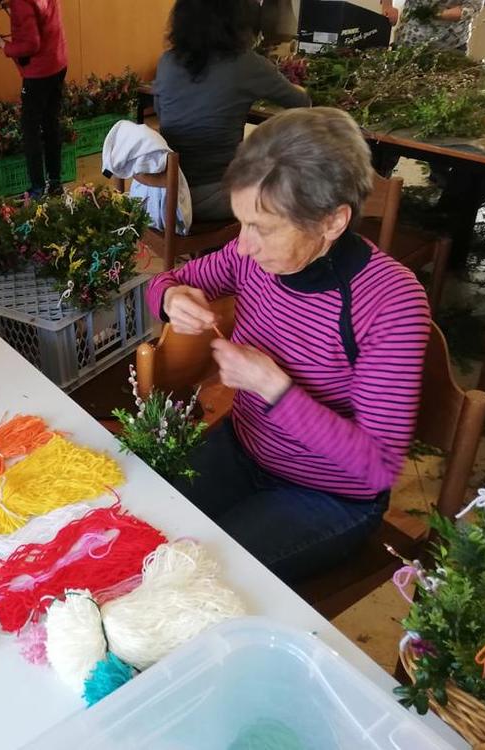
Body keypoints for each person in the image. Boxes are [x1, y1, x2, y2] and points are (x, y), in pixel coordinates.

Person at [147, 108, 431, 583]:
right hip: (244, 449)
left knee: (198, 580)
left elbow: (377, 467)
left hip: (330, 495)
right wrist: (171, 298)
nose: (243, 245)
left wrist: (274, 389)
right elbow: (169, 280)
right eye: (242, 222)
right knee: (144, 523)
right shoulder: (250, 259)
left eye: (263, 227)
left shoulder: (391, 303)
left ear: (332, 221)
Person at [155, 0, 310, 222]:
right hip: (211, 198)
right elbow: (302, 102)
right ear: (238, 21)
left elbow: (162, 115)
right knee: (291, 171)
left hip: (163, 194)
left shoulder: (167, 61)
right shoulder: (247, 64)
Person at [0, 0, 68, 198]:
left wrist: (4, 46)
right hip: (57, 62)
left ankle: (37, 188)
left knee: (30, 129)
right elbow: (40, 20)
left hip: (39, 73)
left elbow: (31, 44)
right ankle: (55, 182)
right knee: (51, 123)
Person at [381, 0, 485, 53]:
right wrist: (387, 7)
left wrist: (436, 14)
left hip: (448, 46)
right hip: (407, 41)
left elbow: (471, 8)